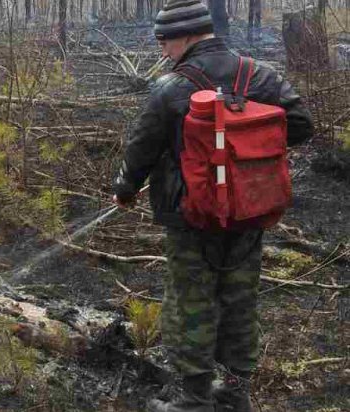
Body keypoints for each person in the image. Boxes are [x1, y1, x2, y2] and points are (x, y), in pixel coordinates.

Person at [111, 0, 313, 411]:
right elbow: (300, 125)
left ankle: (193, 400)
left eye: (164, 41)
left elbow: (140, 149)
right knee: (240, 300)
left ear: (185, 36)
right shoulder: (260, 75)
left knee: (190, 303)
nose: (162, 50)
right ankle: (237, 395)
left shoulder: (171, 88)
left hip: (192, 218)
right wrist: (247, 155)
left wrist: (125, 188)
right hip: (249, 210)